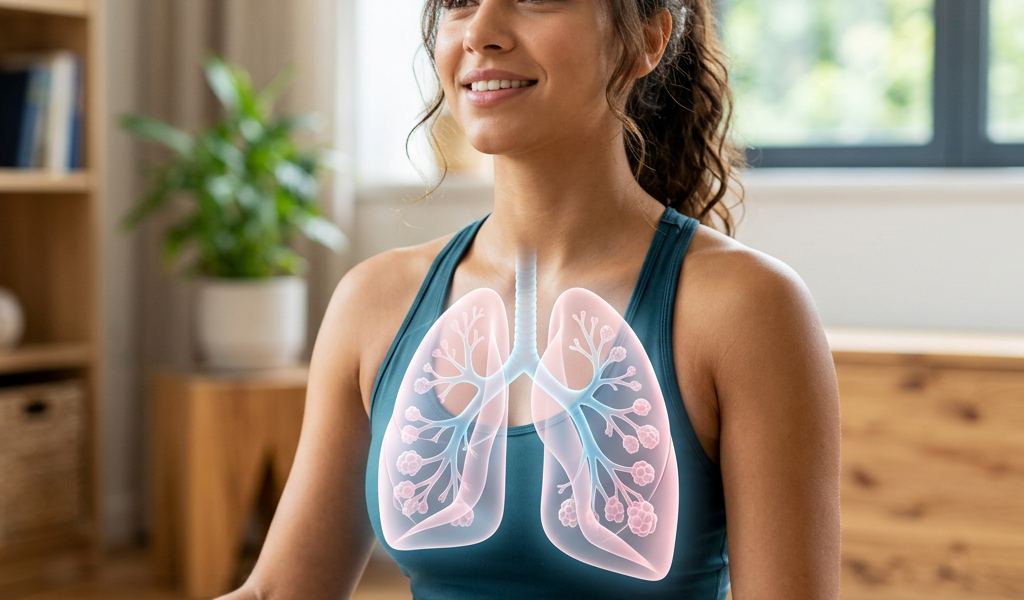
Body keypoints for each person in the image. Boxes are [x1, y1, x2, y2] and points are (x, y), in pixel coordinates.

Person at [218, 0, 841, 598]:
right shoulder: (372, 302)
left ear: (648, 40)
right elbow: (278, 593)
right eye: (459, 0)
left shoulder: (748, 309)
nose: (480, 30)